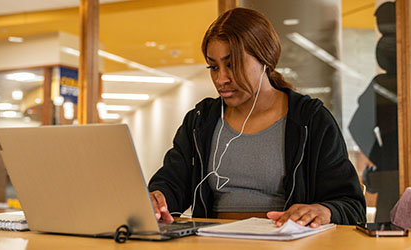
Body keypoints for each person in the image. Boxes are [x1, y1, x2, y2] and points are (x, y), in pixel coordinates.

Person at [148, 7, 366, 228]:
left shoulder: (310, 120)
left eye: (232, 65)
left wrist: (325, 210)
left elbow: (351, 205)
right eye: (213, 67)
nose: (221, 78)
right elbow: (172, 184)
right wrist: (159, 198)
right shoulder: (200, 121)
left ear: (265, 59)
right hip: (212, 241)